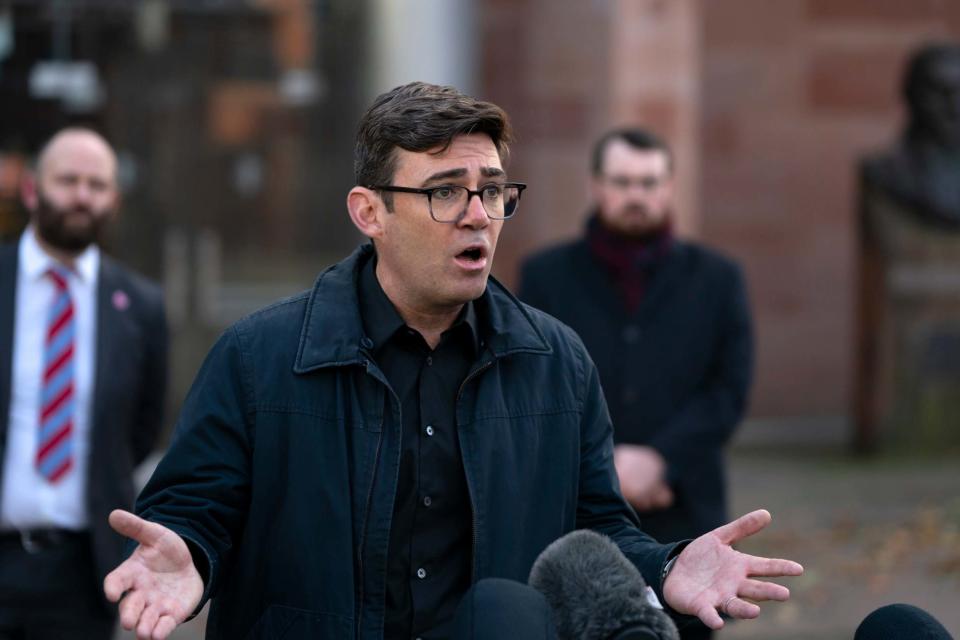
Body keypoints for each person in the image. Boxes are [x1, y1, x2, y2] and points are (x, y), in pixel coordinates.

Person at [103, 82, 800, 640]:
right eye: (445, 192)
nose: (478, 215)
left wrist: (667, 563)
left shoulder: (555, 362)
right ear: (369, 211)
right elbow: (195, 509)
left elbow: (598, 530)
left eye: (493, 190)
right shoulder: (259, 358)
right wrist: (189, 557)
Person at [518, 128, 752, 639]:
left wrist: (658, 459)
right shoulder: (544, 276)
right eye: (622, 182)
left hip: (684, 507)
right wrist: (607, 465)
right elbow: (529, 386)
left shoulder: (718, 279)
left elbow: (728, 391)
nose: (636, 196)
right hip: (577, 517)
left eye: (649, 182)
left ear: (669, 187)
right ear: (596, 187)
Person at [0, 127, 168, 638]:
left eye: (96, 185)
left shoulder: (140, 306)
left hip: (85, 571)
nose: (81, 196)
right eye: (67, 180)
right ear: (32, 190)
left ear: (113, 200)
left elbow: (140, 431)